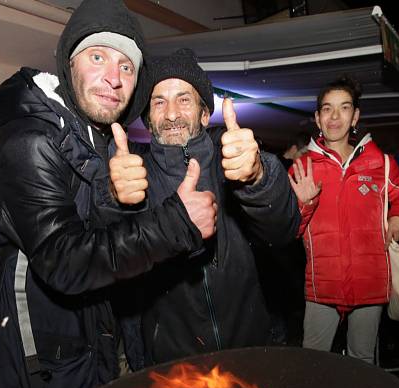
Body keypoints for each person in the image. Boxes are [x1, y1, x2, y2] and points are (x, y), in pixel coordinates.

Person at [0, 0, 216, 388]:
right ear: (69, 65)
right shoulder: (29, 141)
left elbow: (94, 232)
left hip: (93, 341)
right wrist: (176, 223)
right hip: (46, 360)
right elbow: (65, 262)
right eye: (98, 57)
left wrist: (113, 198)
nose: (114, 77)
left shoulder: (93, 139)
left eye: (127, 66)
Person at [115, 48, 299, 365]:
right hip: (176, 366)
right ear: (148, 119)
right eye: (159, 102)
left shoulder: (233, 166)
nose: (171, 114)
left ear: (204, 113)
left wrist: (257, 176)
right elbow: (115, 267)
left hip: (251, 351)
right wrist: (111, 197)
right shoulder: (136, 181)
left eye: (184, 99)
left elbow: (283, 229)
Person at [288, 76, 399, 364]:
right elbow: (290, 229)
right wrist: (305, 203)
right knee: (313, 362)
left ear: (355, 116)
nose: (335, 116)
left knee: (363, 362)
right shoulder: (303, 167)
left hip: (370, 282)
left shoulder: (379, 162)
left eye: (344, 108)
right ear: (318, 118)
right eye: (327, 109)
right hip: (323, 285)